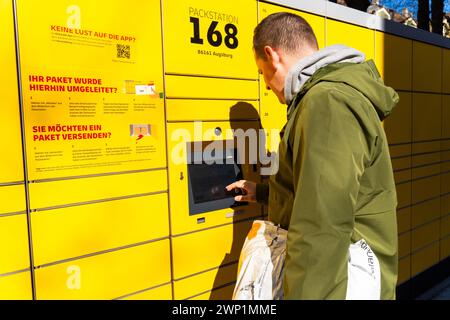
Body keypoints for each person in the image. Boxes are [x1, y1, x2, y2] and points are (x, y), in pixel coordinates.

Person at [226, 12, 399, 299]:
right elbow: (315, 192)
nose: (267, 86)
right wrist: (265, 193)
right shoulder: (328, 96)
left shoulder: (325, 102)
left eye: (262, 74)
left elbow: (321, 226)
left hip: (339, 282)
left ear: (272, 56)